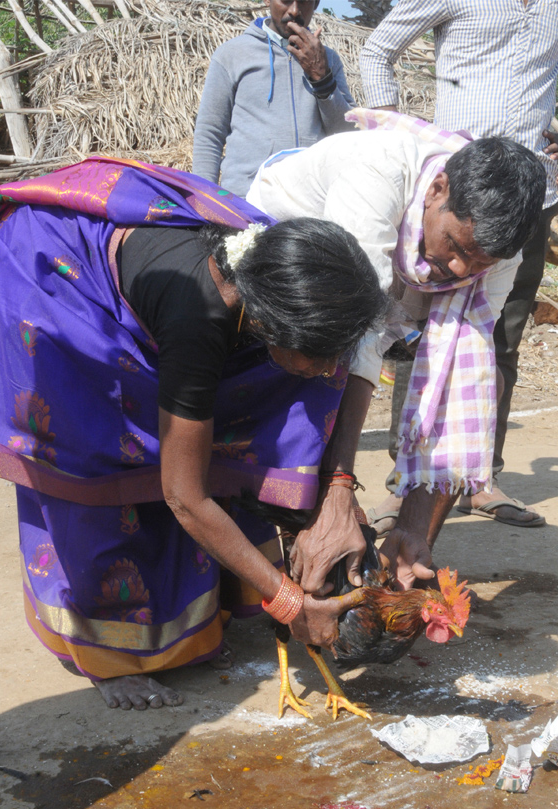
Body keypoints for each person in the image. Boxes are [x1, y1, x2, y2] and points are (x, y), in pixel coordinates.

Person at [0, 158, 387, 711]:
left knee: (282, 399)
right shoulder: (198, 322)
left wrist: (338, 487)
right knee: (109, 467)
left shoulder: (280, 263)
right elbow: (185, 497)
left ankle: (208, 601)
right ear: (269, 323)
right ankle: (107, 655)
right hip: (56, 287)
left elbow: (318, 373)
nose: (327, 368)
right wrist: (291, 605)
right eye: (316, 352)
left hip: (156, 285)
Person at [246, 113, 546, 598]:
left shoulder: (497, 250)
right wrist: (340, 485)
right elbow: (356, 337)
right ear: (437, 190)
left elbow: (461, 385)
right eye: (454, 246)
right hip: (288, 265)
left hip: (353, 298)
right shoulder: (378, 173)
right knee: (287, 404)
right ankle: (268, 560)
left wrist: (414, 532)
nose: (459, 270)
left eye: (479, 263)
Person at [359, 0, 558, 529]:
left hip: (529, 204)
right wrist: (392, 131)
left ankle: (478, 475)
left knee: (497, 338)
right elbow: (379, 48)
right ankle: (405, 484)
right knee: (422, 335)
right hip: (457, 206)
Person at [192, 0, 354, 196]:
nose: (294, 11)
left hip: (312, 200)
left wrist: (322, 78)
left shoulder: (328, 59)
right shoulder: (233, 54)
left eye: (304, 2)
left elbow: (349, 136)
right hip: (248, 199)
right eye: (285, 0)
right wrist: (203, 201)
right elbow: (210, 133)